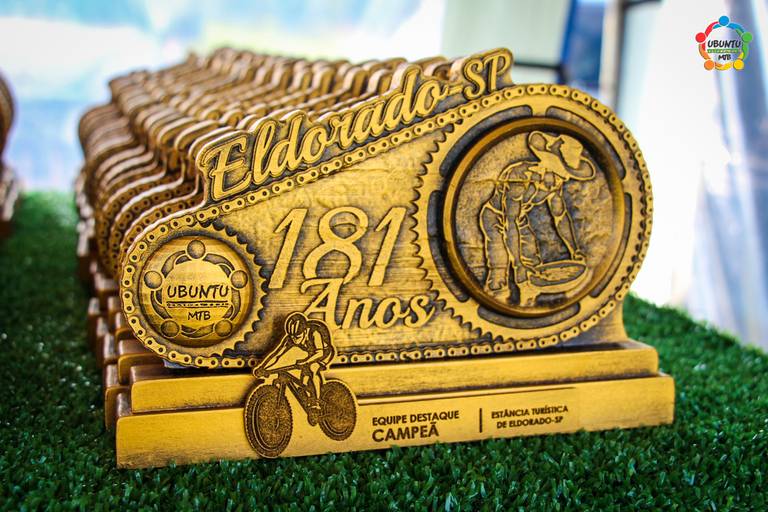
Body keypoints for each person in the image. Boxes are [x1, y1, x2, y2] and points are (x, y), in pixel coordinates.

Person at [479, 131, 595, 306]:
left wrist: (574, 250)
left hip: (519, 220)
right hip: (495, 217)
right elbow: (510, 221)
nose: (558, 181)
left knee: (533, 264)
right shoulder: (519, 177)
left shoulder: (555, 183)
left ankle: (527, 305)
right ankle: (496, 298)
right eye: (556, 173)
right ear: (546, 165)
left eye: (564, 177)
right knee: (500, 263)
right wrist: (518, 264)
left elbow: (560, 216)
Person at [255, 312, 335, 414]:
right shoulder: (290, 338)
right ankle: (306, 391)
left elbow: (320, 353)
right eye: (292, 337)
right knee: (302, 377)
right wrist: (263, 368)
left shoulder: (315, 333)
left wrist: (305, 361)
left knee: (313, 367)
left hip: (325, 352)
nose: (295, 341)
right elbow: (276, 354)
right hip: (310, 352)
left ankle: (317, 401)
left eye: (297, 337)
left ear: (305, 331)